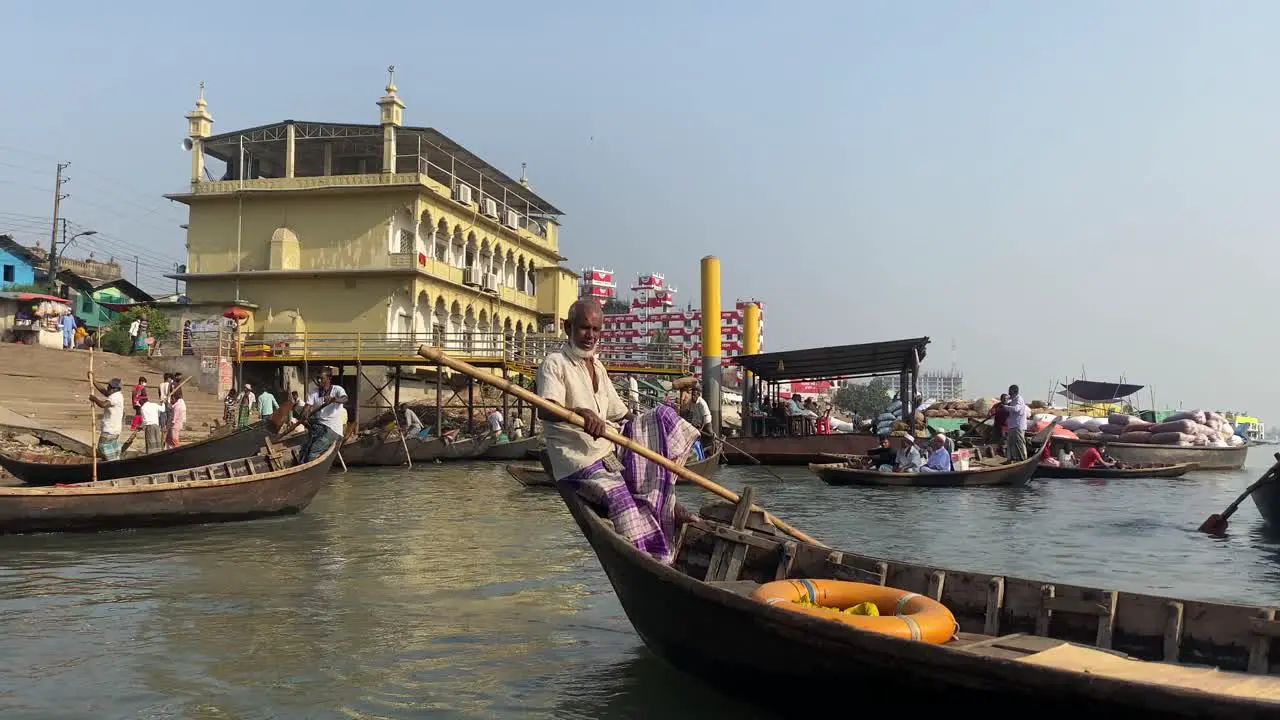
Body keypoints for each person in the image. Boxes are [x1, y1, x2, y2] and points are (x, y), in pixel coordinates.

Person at [537, 298, 701, 565]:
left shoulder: (598, 367)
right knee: (623, 502)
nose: (590, 336)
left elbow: (621, 413)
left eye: (595, 330)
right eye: (583, 328)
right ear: (568, 328)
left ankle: (665, 506)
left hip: (607, 452)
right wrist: (580, 413)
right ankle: (656, 561)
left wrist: (646, 432)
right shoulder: (555, 363)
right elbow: (544, 409)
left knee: (662, 417)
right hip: (578, 460)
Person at [299, 368, 348, 462]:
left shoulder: (337, 390)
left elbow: (345, 399)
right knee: (303, 449)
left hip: (332, 429)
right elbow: (307, 407)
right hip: (319, 426)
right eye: (318, 378)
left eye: (321, 378)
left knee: (313, 451)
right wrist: (303, 417)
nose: (319, 380)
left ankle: (311, 470)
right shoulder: (314, 392)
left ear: (329, 378)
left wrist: (334, 399)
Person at [88, 377, 125, 461]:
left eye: (110, 386)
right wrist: (93, 380)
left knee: (102, 447)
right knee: (110, 448)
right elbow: (104, 391)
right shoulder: (116, 394)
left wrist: (94, 399)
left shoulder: (115, 397)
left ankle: (111, 464)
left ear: (116, 389)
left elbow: (103, 405)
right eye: (108, 385)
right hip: (115, 429)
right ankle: (114, 461)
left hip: (110, 429)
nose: (108, 387)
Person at [1001, 385, 1028, 462]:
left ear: (1015, 392)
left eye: (1010, 391)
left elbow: (1016, 409)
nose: (1009, 393)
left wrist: (1005, 407)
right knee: (1011, 444)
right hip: (1012, 425)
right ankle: (1011, 459)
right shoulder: (1012, 400)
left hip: (1018, 425)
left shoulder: (1019, 399)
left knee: (1019, 443)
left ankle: (1023, 459)